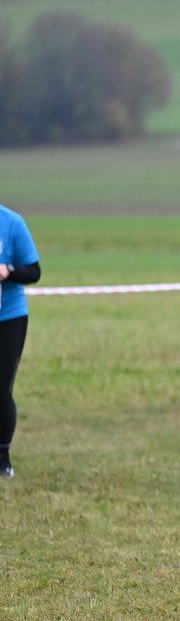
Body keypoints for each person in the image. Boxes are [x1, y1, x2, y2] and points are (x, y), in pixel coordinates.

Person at [0, 204, 41, 479]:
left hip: (8, 317)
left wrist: (9, 270)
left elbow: (34, 272)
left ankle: (2, 457)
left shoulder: (12, 223)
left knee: (1, 389)